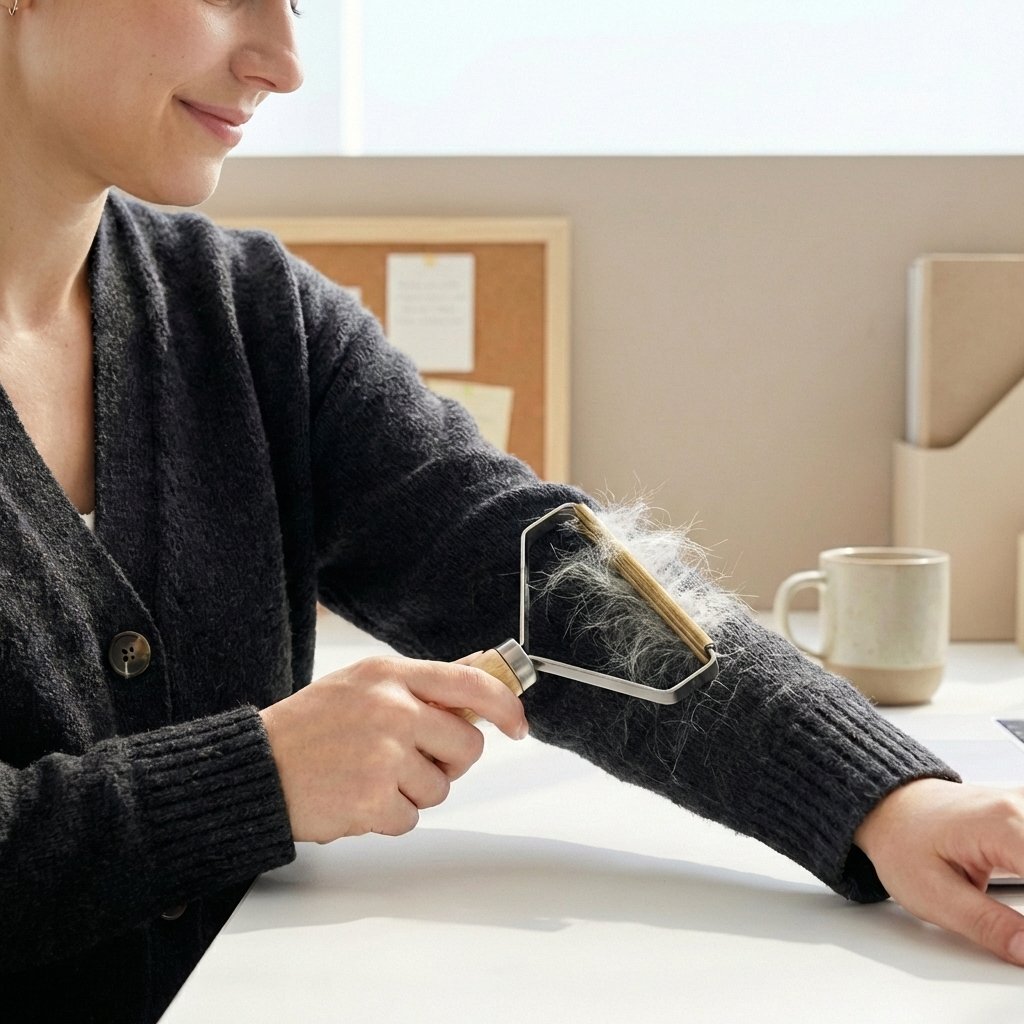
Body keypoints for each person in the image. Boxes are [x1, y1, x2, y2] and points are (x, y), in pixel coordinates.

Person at [3, 3, 1024, 1022]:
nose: (284, 64)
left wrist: (891, 801)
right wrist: (249, 779)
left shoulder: (251, 317)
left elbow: (541, 572)